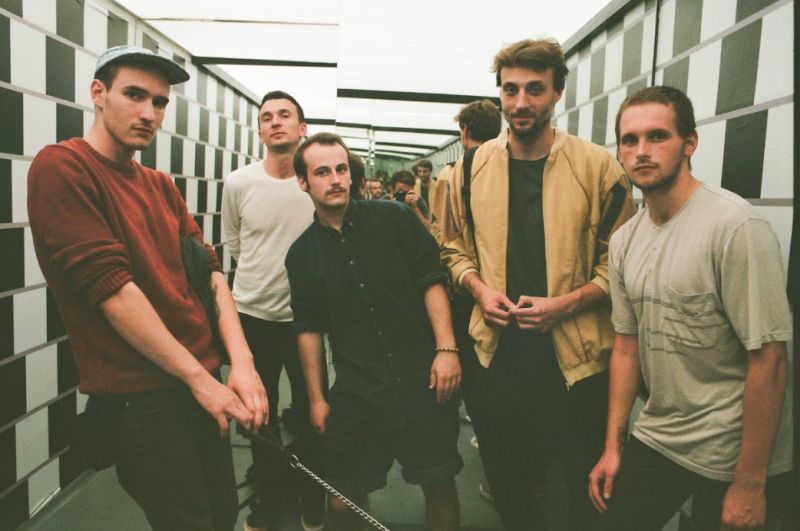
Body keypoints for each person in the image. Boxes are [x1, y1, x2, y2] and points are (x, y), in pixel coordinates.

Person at [26, 45, 267, 531]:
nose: (149, 113)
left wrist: (242, 363)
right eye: (134, 95)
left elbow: (211, 275)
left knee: (222, 514)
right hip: (143, 395)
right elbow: (112, 290)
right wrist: (201, 381)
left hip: (200, 378)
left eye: (159, 102)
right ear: (98, 93)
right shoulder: (63, 166)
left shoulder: (159, 185)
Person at [439, 38, 636, 530]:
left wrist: (565, 305)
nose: (521, 102)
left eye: (534, 89)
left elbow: (622, 265)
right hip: (495, 358)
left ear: (557, 93)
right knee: (508, 486)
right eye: (511, 90)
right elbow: (452, 249)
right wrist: (479, 290)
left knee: (584, 491)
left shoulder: (598, 168)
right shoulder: (469, 169)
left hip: (577, 364)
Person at [589, 86, 793, 531]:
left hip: (731, 447)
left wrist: (749, 485)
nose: (641, 151)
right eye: (629, 140)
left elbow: (770, 359)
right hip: (660, 433)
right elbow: (626, 347)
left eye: (657, 136)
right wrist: (613, 447)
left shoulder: (735, 226)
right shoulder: (624, 241)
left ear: (690, 143)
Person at [285, 132, 463, 531]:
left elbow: (432, 280)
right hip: (358, 393)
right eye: (322, 172)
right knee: (342, 501)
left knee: (439, 483)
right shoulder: (302, 254)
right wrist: (317, 399)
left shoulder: (395, 219)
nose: (336, 179)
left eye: (341, 169)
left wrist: (446, 349)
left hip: (424, 381)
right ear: (303, 182)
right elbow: (308, 329)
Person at [221, 90, 325, 531]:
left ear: (302, 128)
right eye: (267, 117)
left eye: (285, 115)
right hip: (251, 318)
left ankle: (312, 492)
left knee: (312, 413)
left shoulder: (316, 181)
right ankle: (271, 491)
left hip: (305, 322)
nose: (275, 121)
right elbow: (234, 243)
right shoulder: (238, 182)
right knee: (257, 416)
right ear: (260, 131)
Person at [432, 98, 502, 244]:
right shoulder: (505, 166)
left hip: (465, 254)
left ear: (465, 130)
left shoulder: (451, 172)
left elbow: (441, 227)